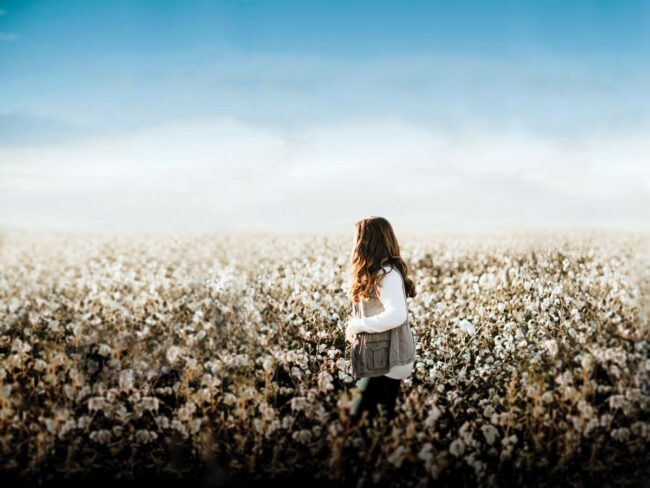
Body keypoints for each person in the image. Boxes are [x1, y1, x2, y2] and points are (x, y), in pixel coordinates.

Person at [344, 216, 417, 428]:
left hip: (388, 360)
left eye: (357, 238)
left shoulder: (386, 275)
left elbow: (396, 315)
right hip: (385, 357)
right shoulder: (380, 272)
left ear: (367, 241)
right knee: (379, 419)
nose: (354, 244)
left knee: (358, 421)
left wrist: (359, 325)